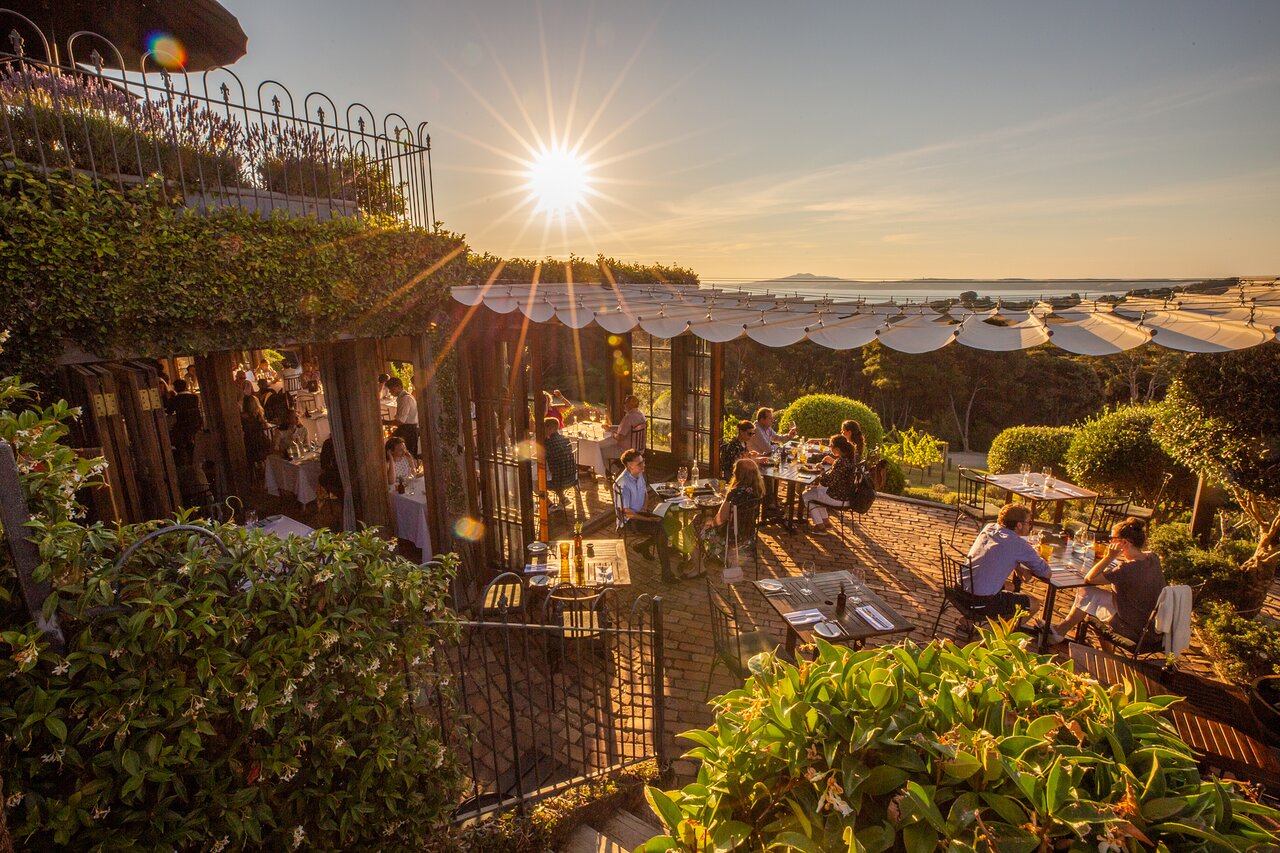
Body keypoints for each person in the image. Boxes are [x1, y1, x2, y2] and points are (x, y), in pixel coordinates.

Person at [1047, 517, 1164, 646]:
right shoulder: (1152, 558)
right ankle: (1061, 630)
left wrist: (1109, 556)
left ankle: (1060, 632)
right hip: (1152, 625)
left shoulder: (1126, 569)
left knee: (1087, 592)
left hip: (1134, 630)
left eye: (1112, 539)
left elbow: (1089, 579)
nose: (1109, 543)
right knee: (1093, 596)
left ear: (1124, 542)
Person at [965, 504, 1052, 619]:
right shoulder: (1019, 545)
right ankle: (999, 629)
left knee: (1011, 587)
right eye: (1029, 523)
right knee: (1035, 604)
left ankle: (970, 620)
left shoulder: (989, 527)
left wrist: (1017, 566)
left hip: (962, 589)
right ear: (1019, 525)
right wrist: (1034, 558)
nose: (1030, 526)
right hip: (980, 600)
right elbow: (1046, 573)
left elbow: (999, 551)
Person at [614, 449, 676, 582]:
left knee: (674, 523)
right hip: (629, 521)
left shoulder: (638, 473)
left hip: (641, 513)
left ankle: (643, 546)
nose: (643, 465)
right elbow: (627, 512)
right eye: (639, 463)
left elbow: (645, 493)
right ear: (630, 465)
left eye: (643, 461)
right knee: (660, 530)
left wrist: (645, 508)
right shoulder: (623, 484)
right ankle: (666, 574)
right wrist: (649, 518)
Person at [700, 457, 764, 564]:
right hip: (747, 537)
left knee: (697, 521)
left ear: (738, 474)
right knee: (708, 518)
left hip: (730, 538)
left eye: (734, 472)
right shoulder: (756, 491)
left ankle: (699, 563)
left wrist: (710, 524)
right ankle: (712, 554)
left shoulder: (734, 494)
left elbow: (719, 520)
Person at [802, 434, 861, 531]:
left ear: (837, 449)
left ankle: (820, 527)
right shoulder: (851, 458)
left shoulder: (841, 461)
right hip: (847, 496)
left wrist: (821, 469)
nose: (830, 449)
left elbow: (827, 482)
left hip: (838, 498)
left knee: (806, 495)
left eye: (831, 447)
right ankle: (826, 522)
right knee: (817, 492)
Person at [165, 378, 203, 465]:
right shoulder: (194, 397)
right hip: (195, 423)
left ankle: (182, 457)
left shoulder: (175, 399)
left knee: (173, 436)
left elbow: (169, 411)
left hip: (182, 424)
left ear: (175, 388)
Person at [386, 377, 419, 457]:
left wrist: (384, 422)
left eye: (391, 389)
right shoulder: (402, 398)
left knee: (406, 455)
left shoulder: (406, 399)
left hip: (409, 431)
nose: (390, 391)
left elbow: (400, 421)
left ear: (399, 387)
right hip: (406, 429)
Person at [544, 417, 577, 495]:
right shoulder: (566, 439)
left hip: (558, 482)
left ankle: (547, 501)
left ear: (550, 429)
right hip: (571, 477)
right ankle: (562, 497)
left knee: (534, 480)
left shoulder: (548, 443)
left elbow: (543, 458)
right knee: (557, 468)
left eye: (544, 428)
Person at [240, 394, 270, 467]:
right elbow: (265, 427)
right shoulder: (258, 415)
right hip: (260, 441)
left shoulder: (242, 416)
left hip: (248, 441)